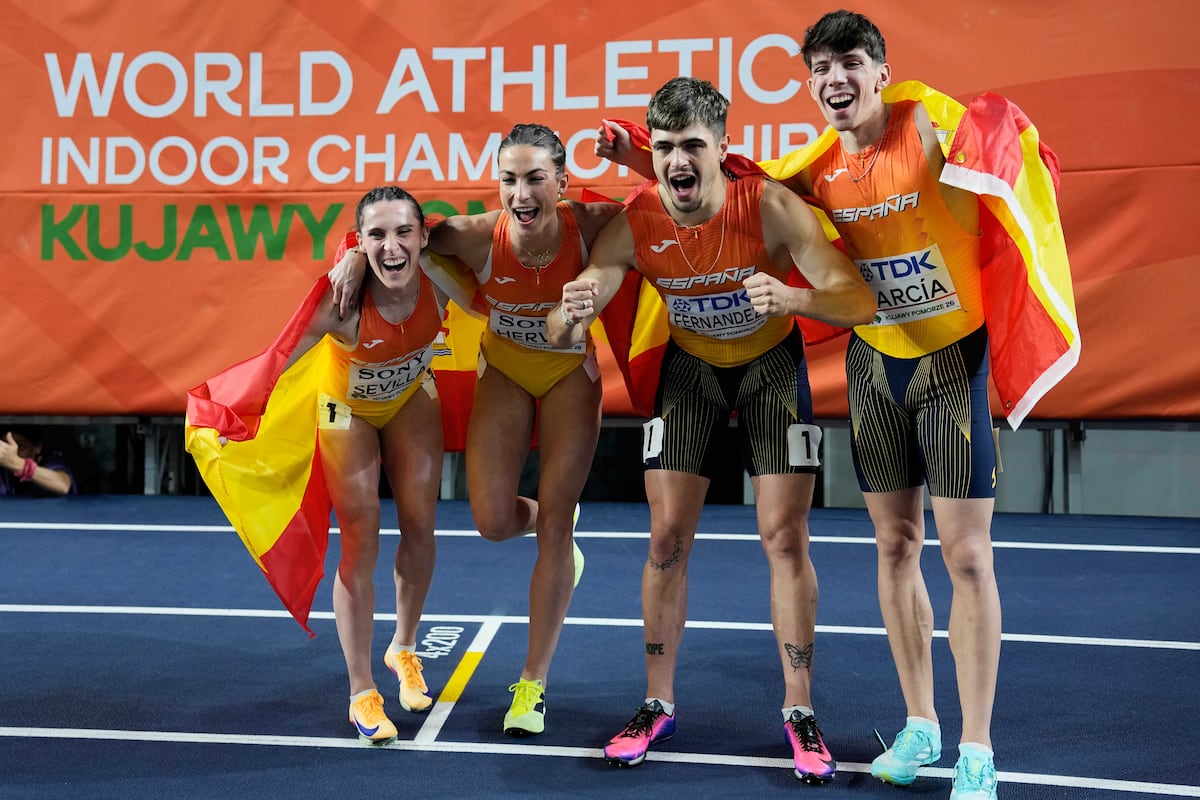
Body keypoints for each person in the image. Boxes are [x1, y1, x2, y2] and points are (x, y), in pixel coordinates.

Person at [548, 77, 875, 782]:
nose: (675, 161)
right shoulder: (635, 221)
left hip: (771, 370)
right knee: (666, 537)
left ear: (722, 150)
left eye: (691, 145)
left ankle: (799, 711)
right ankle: (655, 702)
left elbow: (858, 297)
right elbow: (575, 306)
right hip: (690, 372)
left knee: (785, 537)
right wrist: (573, 309)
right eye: (663, 147)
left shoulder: (772, 207)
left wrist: (792, 295)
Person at [331, 124, 624, 737]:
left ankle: (532, 684)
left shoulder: (592, 224)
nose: (521, 193)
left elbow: (664, 212)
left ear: (562, 182)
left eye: (536, 178)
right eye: (509, 180)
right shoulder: (470, 234)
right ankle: (552, 525)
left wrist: (643, 157)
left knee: (554, 523)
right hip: (505, 373)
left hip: (573, 374)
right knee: (490, 521)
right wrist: (352, 253)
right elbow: (397, 236)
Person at [284, 185, 447, 743]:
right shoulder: (340, 302)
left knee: (421, 528)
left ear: (424, 237)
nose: (392, 246)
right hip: (344, 410)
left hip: (410, 398)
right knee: (361, 538)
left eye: (404, 232)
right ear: (360, 241)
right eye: (375, 236)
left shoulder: (444, 278)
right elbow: (278, 361)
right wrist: (236, 420)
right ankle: (361, 690)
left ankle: (404, 647)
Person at [0, 429, 76, 497]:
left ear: (38, 447)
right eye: (5, 446)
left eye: (21, 447)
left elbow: (62, 486)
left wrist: (17, 464)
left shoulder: (51, 461)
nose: (11, 452)